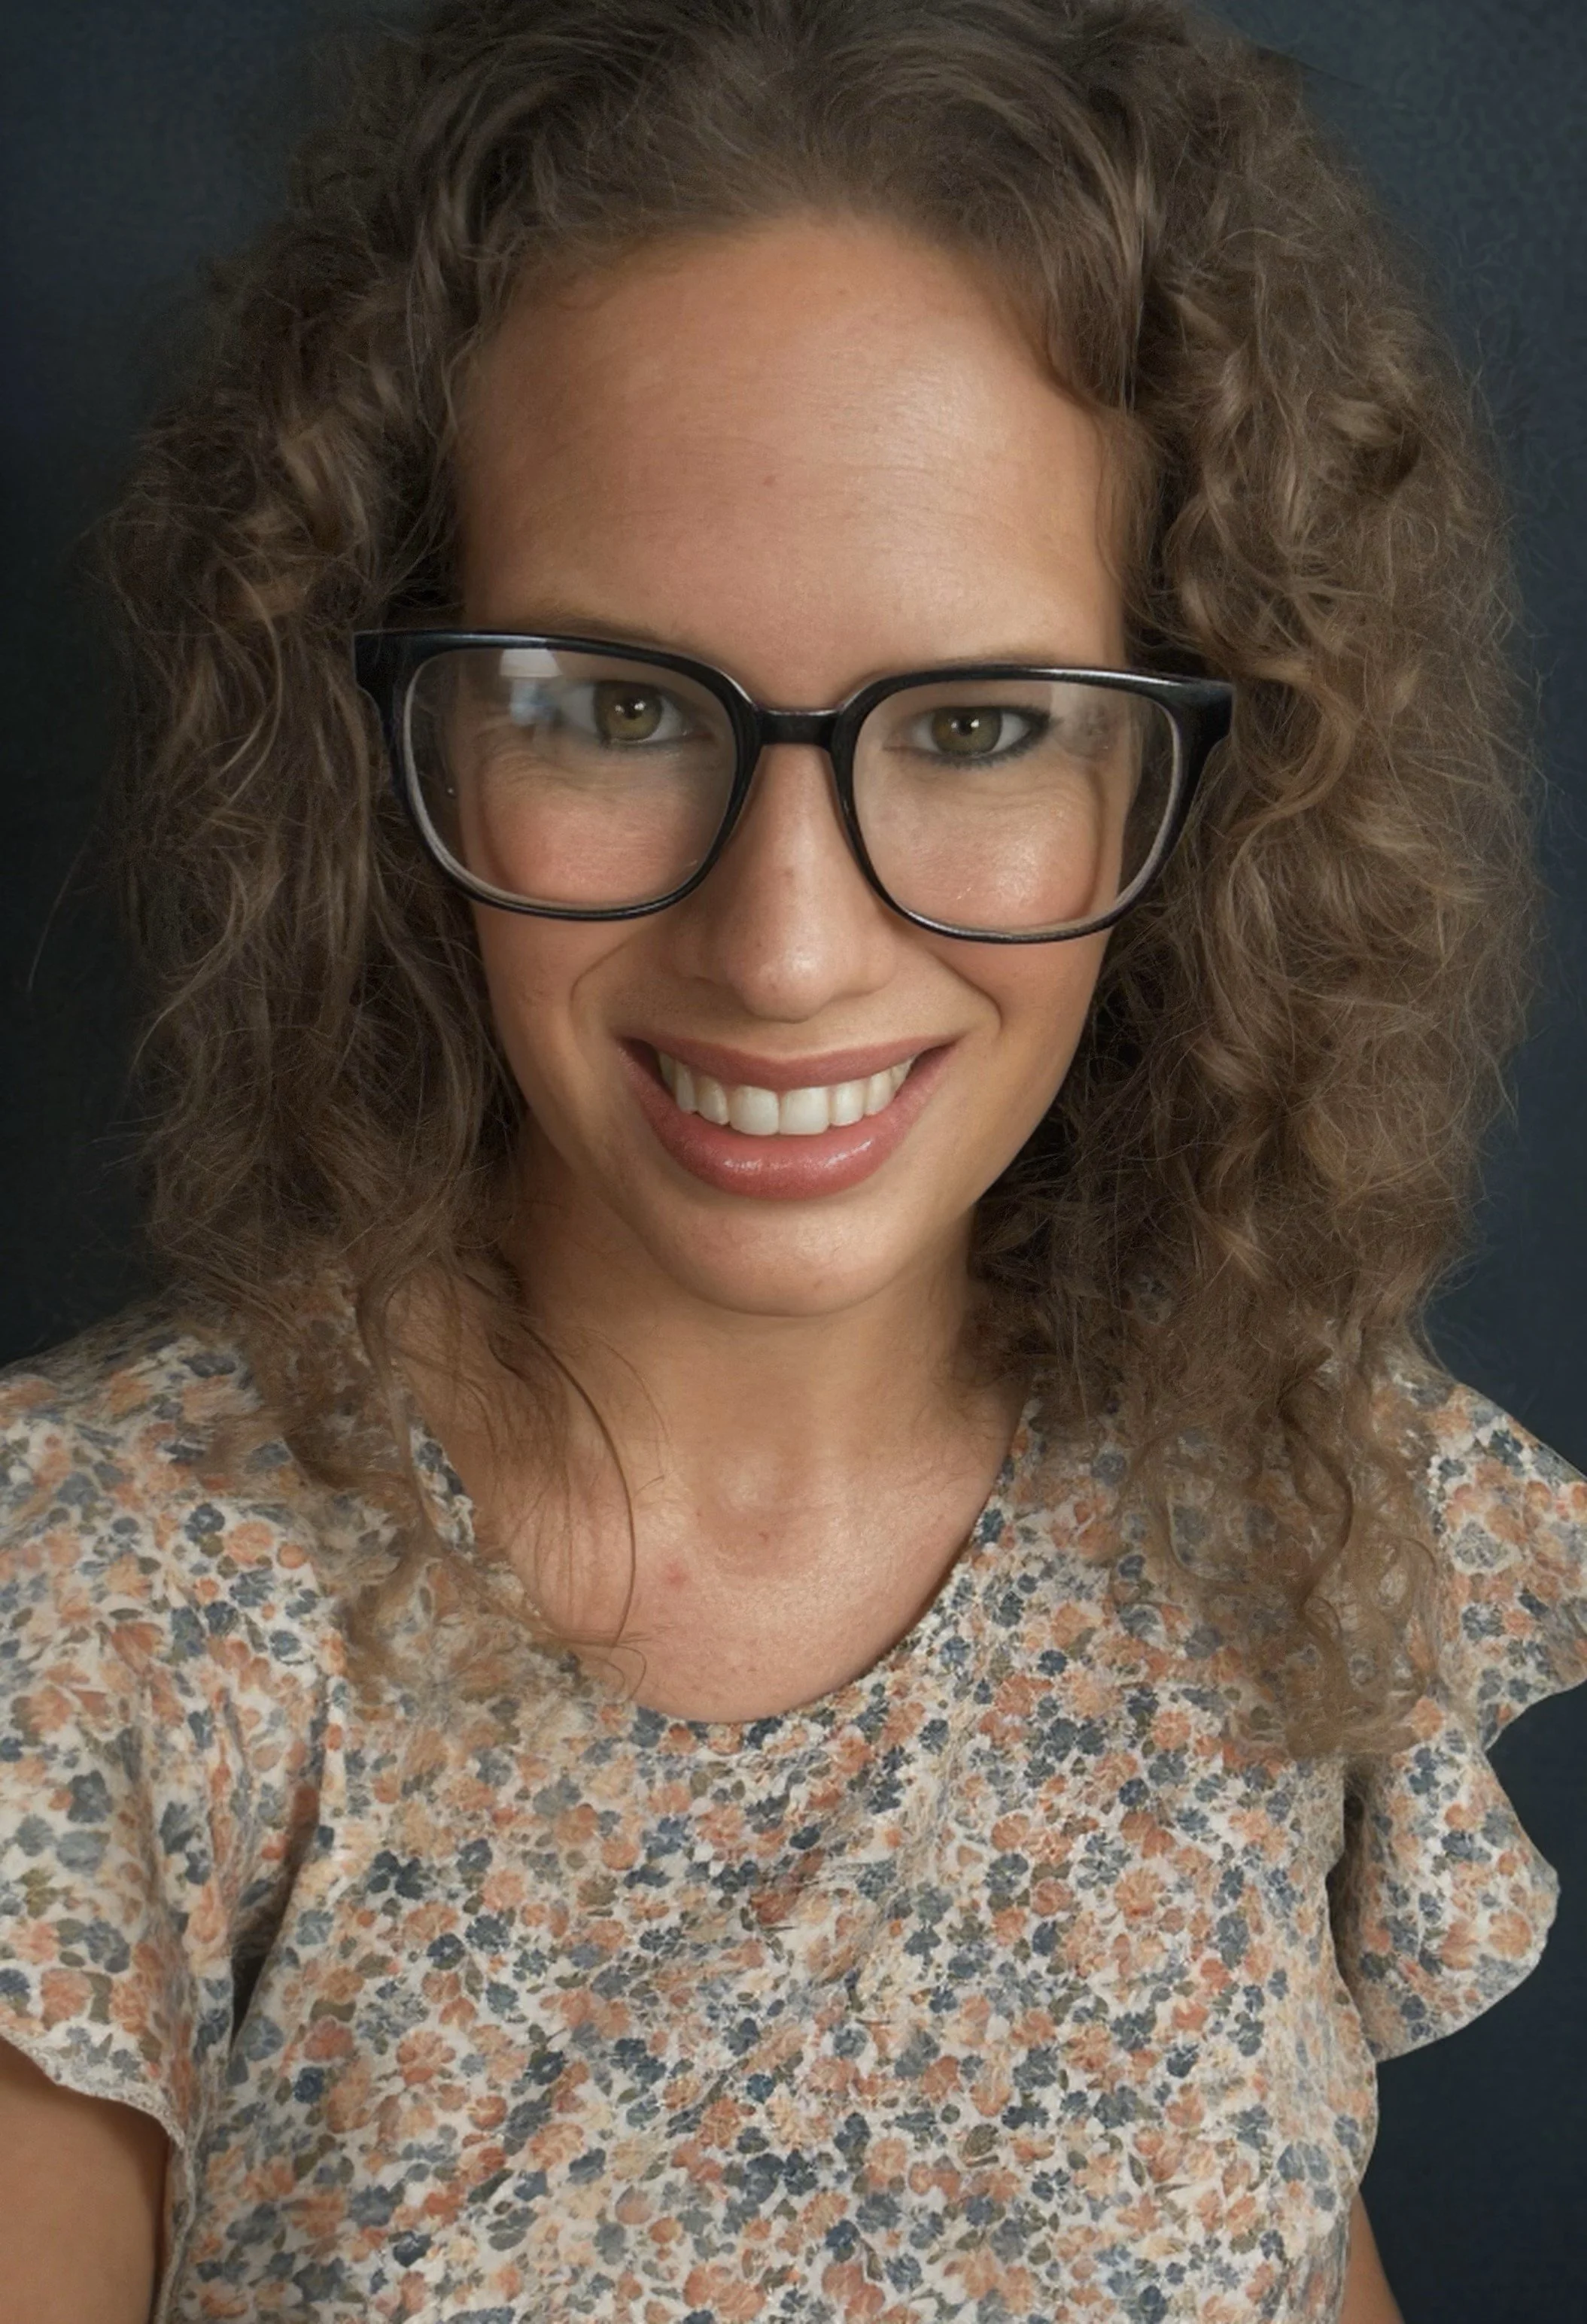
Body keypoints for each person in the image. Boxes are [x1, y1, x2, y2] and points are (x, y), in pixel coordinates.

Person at [2, 0, 1582, 2317]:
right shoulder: (90, 1623)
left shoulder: (1298, 1516)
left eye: (974, 727)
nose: (785, 945)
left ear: (1196, 790)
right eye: (617, 710)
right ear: (382, 730)